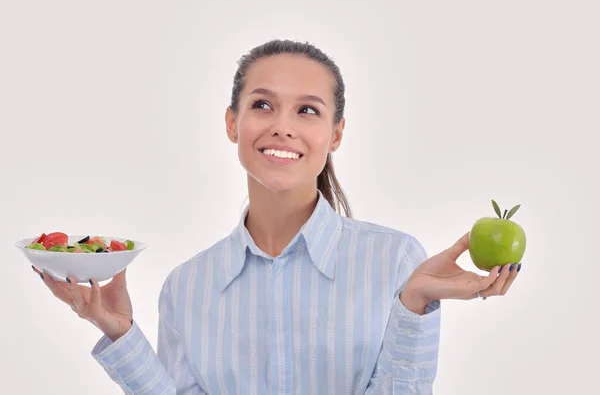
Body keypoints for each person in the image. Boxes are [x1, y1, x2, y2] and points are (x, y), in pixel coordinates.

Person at [33, 39, 521, 394]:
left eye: (308, 111)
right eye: (262, 105)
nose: (282, 127)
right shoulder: (187, 287)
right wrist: (120, 333)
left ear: (336, 134)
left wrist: (413, 303)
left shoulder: (396, 261)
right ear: (232, 122)